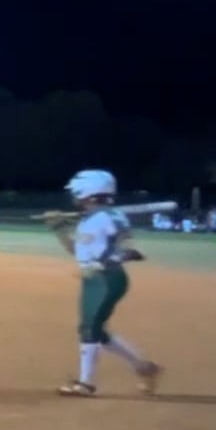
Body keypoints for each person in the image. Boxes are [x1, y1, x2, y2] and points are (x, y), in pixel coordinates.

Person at [43, 169, 161, 398]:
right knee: (94, 330)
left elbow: (132, 250)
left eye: (75, 192)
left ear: (86, 192)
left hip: (108, 279)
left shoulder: (112, 218)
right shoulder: (87, 220)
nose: (73, 197)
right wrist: (58, 228)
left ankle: (85, 384)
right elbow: (74, 250)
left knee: (90, 328)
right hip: (92, 279)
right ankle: (144, 368)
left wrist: (106, 262)